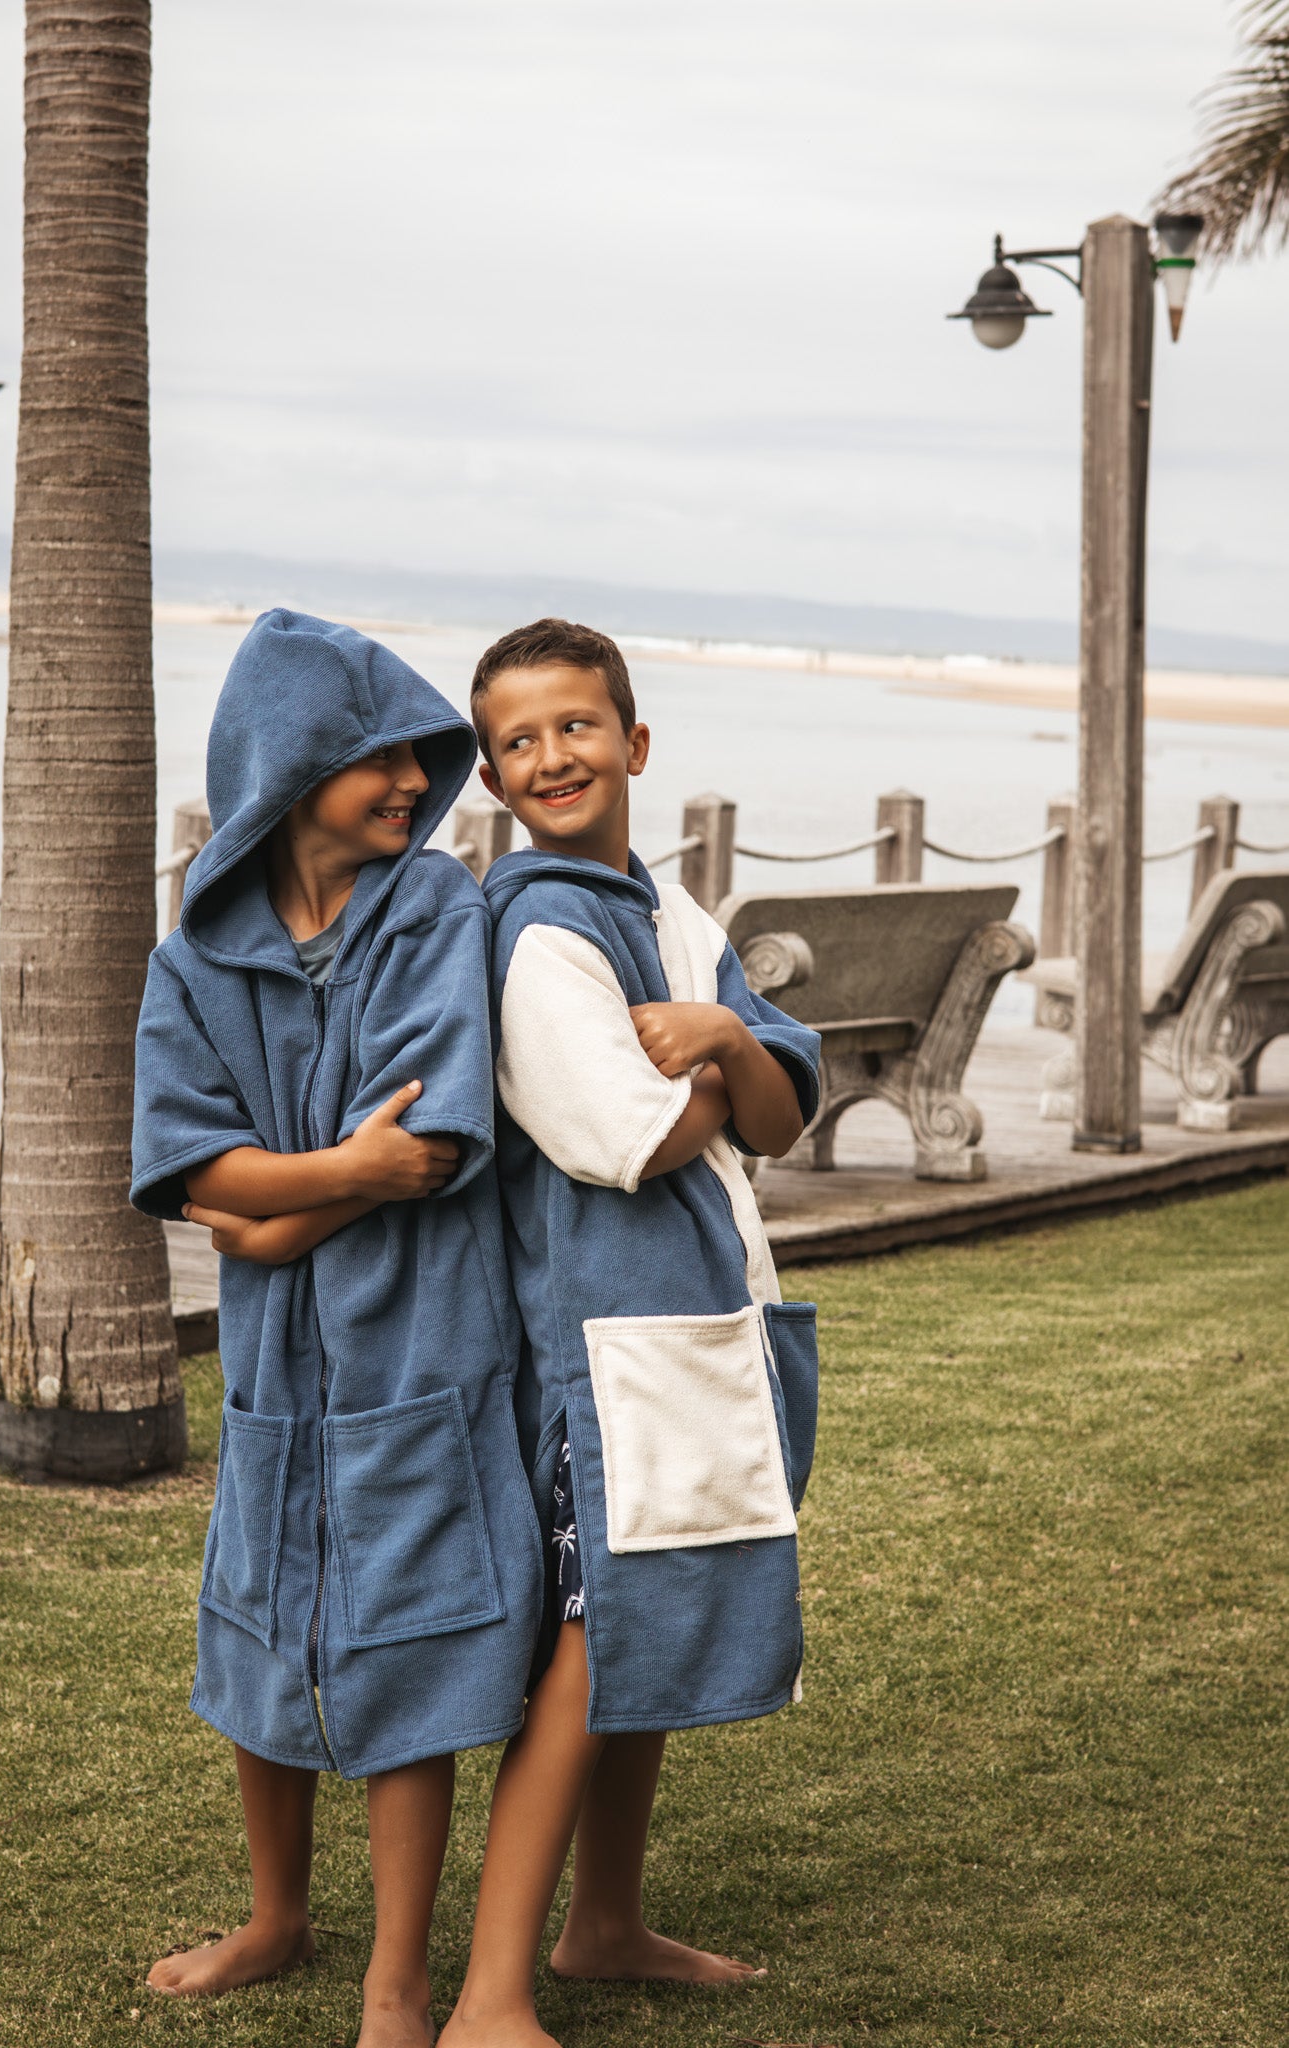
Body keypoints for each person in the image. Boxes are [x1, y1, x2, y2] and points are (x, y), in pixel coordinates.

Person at [130, 609, 543, 2048]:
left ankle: (398, 1984)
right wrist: (332, 1176)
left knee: (408, 1648)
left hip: (421, 1356)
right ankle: (275, 1916)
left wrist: (277, 1213)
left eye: (421, 762)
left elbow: (422, 1143)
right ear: (290, 758)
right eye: (380, 761)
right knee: (259, 1621)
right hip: (271, 1379)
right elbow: (191, 1170)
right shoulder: (192, 960)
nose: (416, 786)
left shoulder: (435, 909)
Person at [438, 618, 823, 2048]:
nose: (552, 755)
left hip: (710, 1323)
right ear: (489, 773)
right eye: (519, 739)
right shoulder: (535, 930)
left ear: (634, 743)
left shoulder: (674, 917)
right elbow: (629, 1137)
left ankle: (603, 1922)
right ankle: (487, 1995)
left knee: (647, 1625)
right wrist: (721, 1064)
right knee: (592, 1644)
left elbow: (783, 1118)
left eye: (577, 726)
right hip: (607, 1346)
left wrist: (721, 1042)